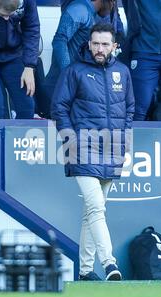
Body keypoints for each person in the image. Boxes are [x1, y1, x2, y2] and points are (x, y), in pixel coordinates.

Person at [51, 23, 134, 281]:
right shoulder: (74, 71)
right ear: (89, 44)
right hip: (82, 148)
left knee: (91, 212)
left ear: (114, 46)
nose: (99, 49)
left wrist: (125, 138)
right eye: (95, 43)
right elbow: (58, 108)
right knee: (97, 208)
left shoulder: (122, 71)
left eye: (105, 44)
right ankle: (109, 263)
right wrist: (70, 139)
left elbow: (130, 108)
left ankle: (86, 271)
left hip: (112, 149)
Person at [43, 0, 113, 118]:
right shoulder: (79, 9)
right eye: (113, 2)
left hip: (75, 86)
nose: (113, 6)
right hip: (59, 87)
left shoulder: (90, 13)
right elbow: (59, 40)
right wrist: (68, 72)